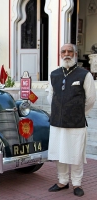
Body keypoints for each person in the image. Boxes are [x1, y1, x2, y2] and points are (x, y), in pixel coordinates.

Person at [47, 43, 96, 197]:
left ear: (75, 54)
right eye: (63, 51)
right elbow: (50, 96)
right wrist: (59, 111)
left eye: (70, 51)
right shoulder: (54, 74)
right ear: (60, 54)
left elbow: (91, 99)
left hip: (76, 123)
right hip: (57, 122)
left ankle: (76, 183)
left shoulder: (84, 75)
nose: (66, 54)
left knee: (75, 154)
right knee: (59, 154)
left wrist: (78, 113)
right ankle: (62, 181)